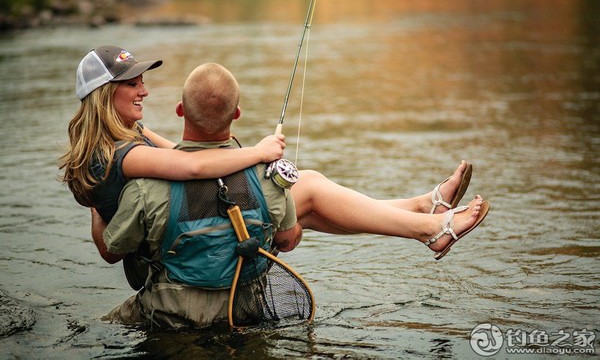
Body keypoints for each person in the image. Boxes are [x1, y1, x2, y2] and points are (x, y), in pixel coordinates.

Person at [93, 63, 490, 329]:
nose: (142, 89)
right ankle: (427, 222)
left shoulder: (138, 176)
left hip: (171, 303)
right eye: (133, 83)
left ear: (180, 111)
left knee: (310, 195)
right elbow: (283, 238)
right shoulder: (264, 179)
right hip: (239, 299)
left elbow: (117, 244)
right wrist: (264, 162)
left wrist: (97, 202)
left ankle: (423, 211)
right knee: (309, 194)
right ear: (237, 115)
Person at [59, 45, 286, 225]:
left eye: (142, 82)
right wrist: (259, 152)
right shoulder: (117, 154)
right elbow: (192, 165)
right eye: (132, 84)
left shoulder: (129, 131)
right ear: (104, 95)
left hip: (174, 226)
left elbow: (180, 153)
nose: (144, 92)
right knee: (308, 186)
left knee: (308, 185)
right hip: (160, 250)